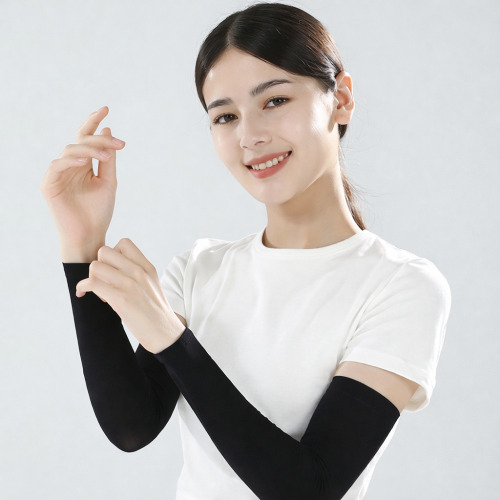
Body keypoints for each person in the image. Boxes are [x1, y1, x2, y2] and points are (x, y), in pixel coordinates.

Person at [40, 3, 451, 499]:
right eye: (226, 116)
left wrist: (172, 339)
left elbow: (310, 489)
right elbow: (132, 426)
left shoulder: (401, 286)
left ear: (341, 100)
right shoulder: (200, 269)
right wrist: (82, 247)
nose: (250, 136)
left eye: (275, 100)